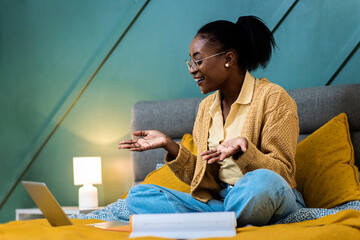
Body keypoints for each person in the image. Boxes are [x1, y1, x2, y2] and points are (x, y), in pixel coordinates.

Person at [118, 15, 306, 226]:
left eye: (198, 61)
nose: (191, 69)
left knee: (260, 183)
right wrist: (170, 146)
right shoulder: (206, 108)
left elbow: (283, 173)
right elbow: (206, 180)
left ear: (228, 58)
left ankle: (215, 221)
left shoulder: (274, 98)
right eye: (190, 62)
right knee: (138, 196)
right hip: (224, 201)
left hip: (268, 195)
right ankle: (226, 220)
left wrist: (244, 152)